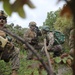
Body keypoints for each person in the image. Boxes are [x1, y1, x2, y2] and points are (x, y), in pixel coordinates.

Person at [0, 10, 20, 75]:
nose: (1, 20)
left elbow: (13, 41)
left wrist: (11, 45)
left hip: (4, 53)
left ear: (6, 21)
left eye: (4, 19)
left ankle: (14, 72)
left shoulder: (8, 31)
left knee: (16, 50)